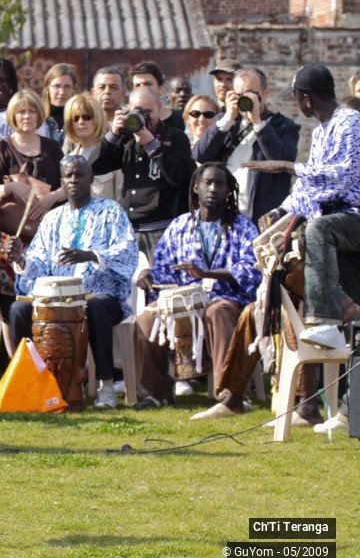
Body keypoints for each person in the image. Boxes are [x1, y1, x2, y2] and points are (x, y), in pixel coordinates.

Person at [7, 155, 138, 410]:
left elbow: (128, 251)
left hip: (102, 296)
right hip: (57, 302)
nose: (74, 180)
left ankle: (106, 386)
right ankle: (32, 382)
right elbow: (39, 263)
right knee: (18, 310)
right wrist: (20, 258)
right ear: (62, 181)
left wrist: (91, 255)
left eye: (80, 174)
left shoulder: (111, 211)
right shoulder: (52, 219)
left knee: (97, 307)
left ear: (91, 178)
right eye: (69, 176)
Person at [134, 163, 261, 409]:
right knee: (147, 318)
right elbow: (163, 269)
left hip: (228, 300)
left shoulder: (242, 226)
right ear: (195, 188)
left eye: (219, 184)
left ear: (228, 191)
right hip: (183, 302)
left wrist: (206, 273)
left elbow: (251, 269)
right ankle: (158, 392)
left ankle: (230, 394)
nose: (213, 189)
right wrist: (147, 275)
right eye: (208, 183)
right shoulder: (179, 226)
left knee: (217, 311)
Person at [257, 64, 360, 350]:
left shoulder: (350, 122)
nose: (297, 102)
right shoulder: (320, 133)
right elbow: (310, 186)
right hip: (342, 223)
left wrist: (289, 166)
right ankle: (348, 309)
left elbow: (344, 174)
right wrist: (281, 211)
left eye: (297, 97)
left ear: (306, 98)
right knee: (285, 245)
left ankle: (325, 321)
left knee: (317, 230)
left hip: (354, 216)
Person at [0, 88, 64, 364]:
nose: (27, 116)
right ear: (12, 116)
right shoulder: (1, 148)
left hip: (46, 237)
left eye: (31, 110)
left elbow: (71, 184)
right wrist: (12, 187)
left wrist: (53, 196)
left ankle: (46, 361)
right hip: (10, 238)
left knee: (44, 298)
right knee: (9, 304)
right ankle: (15, 367)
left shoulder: (53, 148)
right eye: (21, 111)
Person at [92, 86, 196, 260]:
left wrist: (152, 144)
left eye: (148, 111)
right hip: (128, 230)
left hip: (160, 230)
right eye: (138, 111)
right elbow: (94, 167)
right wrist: (113, 135)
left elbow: (180, 177)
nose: (144, 117)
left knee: (160, 285)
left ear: (160, 109)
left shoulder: (176, 137)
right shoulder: (126, 139)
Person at [193, 67, 299, 222]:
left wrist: (258, 122)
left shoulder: (283, 126)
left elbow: (282, 161)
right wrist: (227, 120)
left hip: (263, 218)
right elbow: (200, 155)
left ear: (265, 93)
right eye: (239, 94)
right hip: (225, 215)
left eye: (250, 93)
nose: (244, 99)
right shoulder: (224, 122)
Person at [62, 93, 120, 201]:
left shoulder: (113, 153)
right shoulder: (68, 159)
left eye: (87, 117)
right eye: (75, 118)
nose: (81, 122)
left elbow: (121, 198)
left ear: (97, 119)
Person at [129, 60, 184, 131]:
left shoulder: (180, 118)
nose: (143, 88)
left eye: (148, 84)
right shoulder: (127, 119)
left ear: (160, 88)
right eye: (137, 85)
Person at [39, 63, 77, 145]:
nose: (62, 92)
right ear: (47, 88)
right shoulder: (37, 118)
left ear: (73, 89)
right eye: (57, 86)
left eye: (67, 87)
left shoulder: (81, 119)